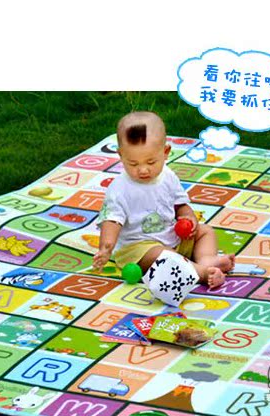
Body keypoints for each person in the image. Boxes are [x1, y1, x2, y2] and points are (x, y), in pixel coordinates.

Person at [92, 111, 234, 288]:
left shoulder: (168, 176)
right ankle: (203, 273)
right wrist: (106, 248)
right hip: (140, 250)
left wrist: (189, 218)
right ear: (121, 155)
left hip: (173, 237)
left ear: (165, 152)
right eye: (133, 163)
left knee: (205, 231)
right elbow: (112, 221)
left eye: (151, 162)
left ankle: (206, 259)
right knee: (164, 257)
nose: (143, 170)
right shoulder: (119, 189)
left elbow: (180, 204)